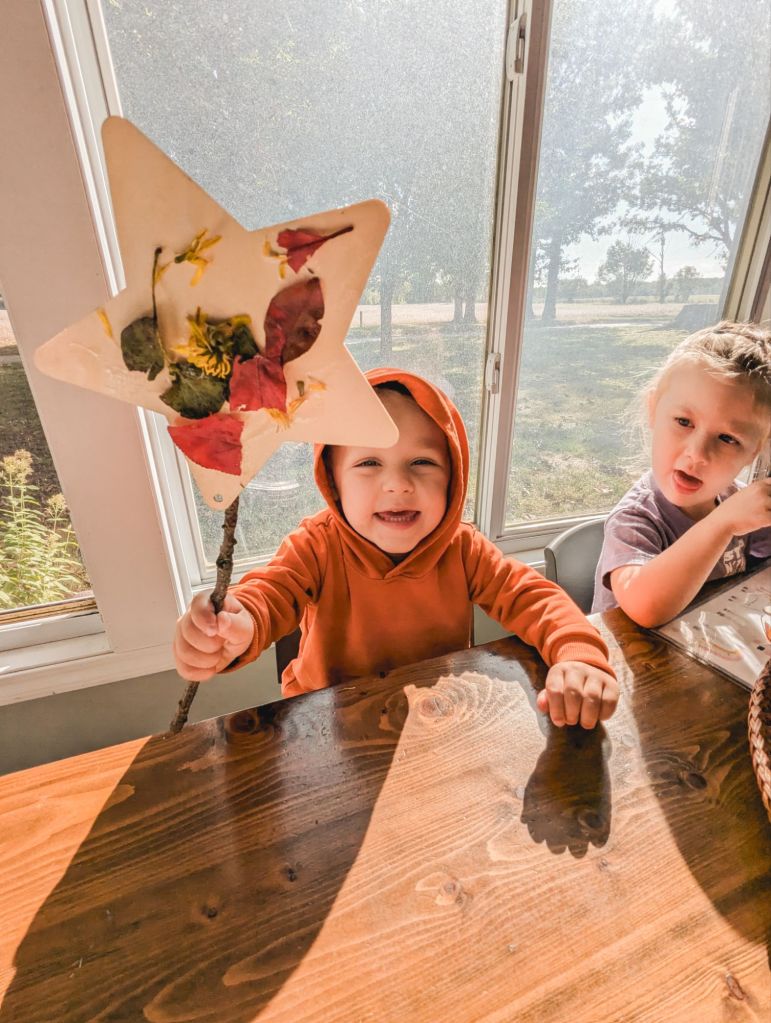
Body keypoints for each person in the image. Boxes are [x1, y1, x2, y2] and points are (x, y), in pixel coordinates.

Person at [174, 368, 618, 729]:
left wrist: (579, 656)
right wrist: (236, 625)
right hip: (326, 726)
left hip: (438, 715)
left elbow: (534, 597)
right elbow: (269, 594)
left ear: (453, 479)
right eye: (369, 463)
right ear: (334, 482)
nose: (398, 484)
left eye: (422, 462)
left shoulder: (462, 547)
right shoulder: (316, 546)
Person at [592, 320, 771, 625]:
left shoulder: (738, 504)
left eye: (727, 439)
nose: (697, 454)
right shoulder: (636, 519)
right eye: (684, 422)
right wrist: (723, 524)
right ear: (653, 410)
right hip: (627, 654)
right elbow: (646, 608)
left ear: (754, 451)